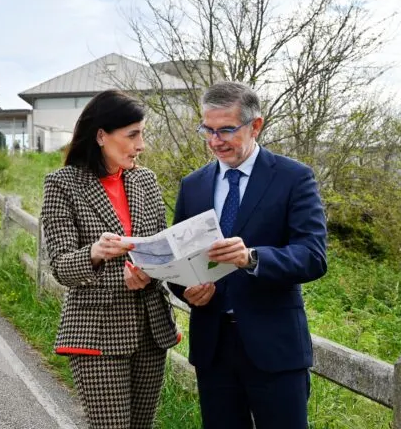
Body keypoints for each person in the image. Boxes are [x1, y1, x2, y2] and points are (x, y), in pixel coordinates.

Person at [167, 81, 328, 429]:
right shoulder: (192, 185)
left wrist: (252, 258)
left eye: (226, 129)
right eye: (207, 130)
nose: (214, 141)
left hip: (276, 348)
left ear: (256, 125)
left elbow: (313, 255)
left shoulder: (294, 178)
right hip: (213, 348)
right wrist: (187, 291)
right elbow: (179, 263)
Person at [40, 89, 180, 429]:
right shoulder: (62, 184)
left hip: (151, 328)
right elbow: (60, 265)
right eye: (133, 135)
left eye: (142, 134)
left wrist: (151, 273)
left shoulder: (146, 181)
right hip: (97, 331)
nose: (141, 145)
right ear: (102, 135)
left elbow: (160, 247)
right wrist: (95, 252)